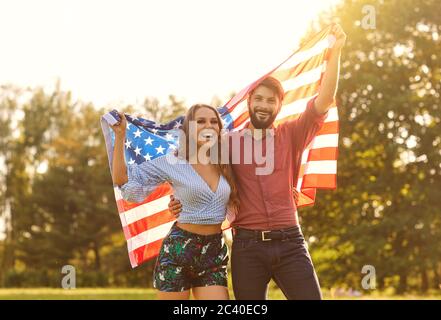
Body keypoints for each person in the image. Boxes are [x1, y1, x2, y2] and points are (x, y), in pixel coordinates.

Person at [168, 24, 346, 300]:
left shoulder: (291, 134)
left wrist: (335, 54)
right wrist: (178, 197)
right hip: (247, 247)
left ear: (279, 105)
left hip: (290, 243)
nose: (263, 105)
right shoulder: (226, 142)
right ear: (250, 102)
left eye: (270, 101)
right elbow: (193, 168)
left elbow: (323, 100)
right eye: (259, 99)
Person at [110, 103, 239, 300]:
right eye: (201, 121)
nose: (209, 126)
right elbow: (123, 180)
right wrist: (120, 137)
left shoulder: (226, 162)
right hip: (179, 250)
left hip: (214, 251)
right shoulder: (173, 162)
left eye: (214, 122)